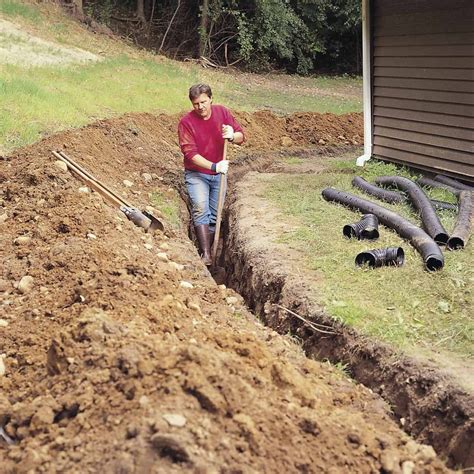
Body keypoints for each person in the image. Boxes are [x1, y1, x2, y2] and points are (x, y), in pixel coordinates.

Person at [178, 83, 244, 266]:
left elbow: (241, 137)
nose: (200, 107)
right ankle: (205, 254)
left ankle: (214, 257)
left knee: (215, 215)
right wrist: (214, 166)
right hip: (197, 174)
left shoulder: (222, 113)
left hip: (218, 176)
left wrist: (232, 135)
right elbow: (190, 154)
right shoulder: (186, 123)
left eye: (204, 102)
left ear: (211, 99)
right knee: (200, 208)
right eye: (196, 103)